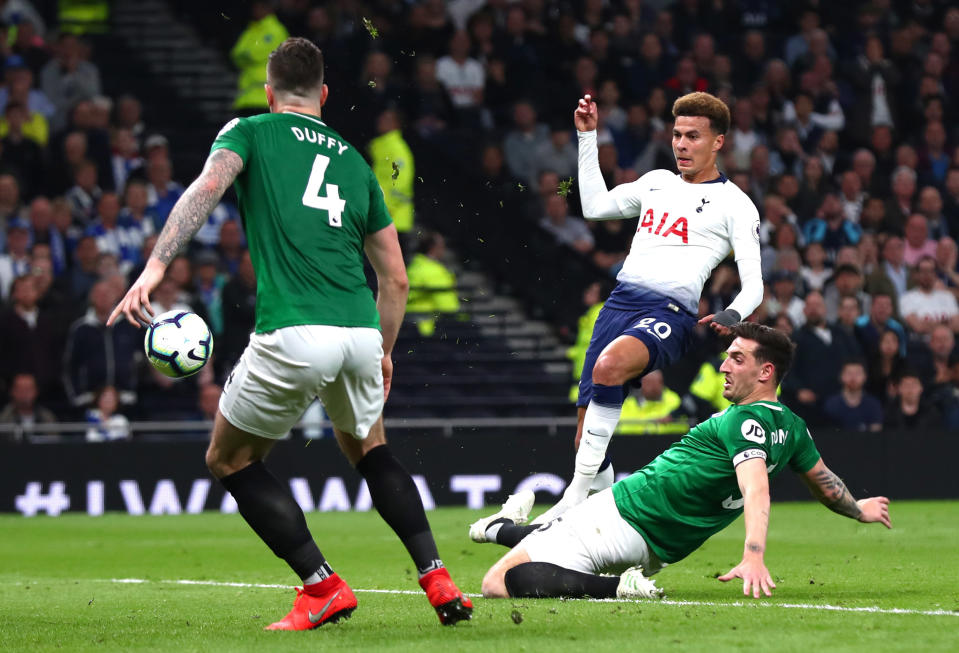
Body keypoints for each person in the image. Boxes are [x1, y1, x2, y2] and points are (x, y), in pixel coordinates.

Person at [106, 38, 471, 630]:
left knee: (229, 458)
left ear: (269, 92)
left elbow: (205, 190)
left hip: (295, 329)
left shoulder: (250, 131)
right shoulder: (356, 161)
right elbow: (396, 279)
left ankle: (321, 585)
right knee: (370, 448)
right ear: (324, 95)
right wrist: (383, 351)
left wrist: (154, 268)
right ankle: (437, 577)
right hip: (358, 331)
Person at [470, 323, 891, 600]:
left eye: (737, 359)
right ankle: (498, 527)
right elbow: (825, 484)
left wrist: (754, 553)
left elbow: (756, 487)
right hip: (655, 546)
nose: (724, 366)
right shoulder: (794, 428)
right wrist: (859, 510)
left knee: (497, 584)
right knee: (549, 544)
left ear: (766, 373)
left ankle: (619, 587)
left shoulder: (743, 421)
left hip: (623, 515)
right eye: (727, 355)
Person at [533, 91, 763, 526]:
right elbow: (595, 207)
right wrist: (588, 138)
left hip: (670, 312)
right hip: (619, 303)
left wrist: (732, 314)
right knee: (584, 439)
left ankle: (572, 498)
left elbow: (754, 285)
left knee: (608, 367)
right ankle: (609, 520)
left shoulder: (736, 204)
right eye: (677, 134)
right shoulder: (657, 181)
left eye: (693, 136)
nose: (681, 144)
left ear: (718, 142)